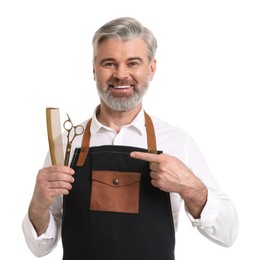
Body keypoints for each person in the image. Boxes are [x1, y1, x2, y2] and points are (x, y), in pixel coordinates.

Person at [22, 17, 239, 260]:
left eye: (133, 63)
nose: (121, 74)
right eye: (109, 63)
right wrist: (38, 203)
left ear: (151, 68)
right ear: (94, 68)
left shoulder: (178, 143)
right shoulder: (64, 144)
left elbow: (228, 234)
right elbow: (40, 248)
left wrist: (190, 187)